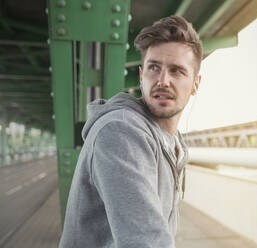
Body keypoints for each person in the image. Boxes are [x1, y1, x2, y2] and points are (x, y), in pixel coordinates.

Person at [59, 15, 202, 248]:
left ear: (196, 83)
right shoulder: (120, 132)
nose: (163, 80)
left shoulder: (173, 141)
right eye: (154, 67)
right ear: (141, 75)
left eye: (176, 71)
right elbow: (147, 242)